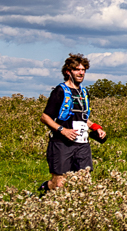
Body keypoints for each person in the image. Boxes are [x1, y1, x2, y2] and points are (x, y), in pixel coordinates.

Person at [38, 53, 107, 192]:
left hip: (82, 144)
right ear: (68, 72)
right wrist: (63, 130)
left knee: (84, 180)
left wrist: (96, 127)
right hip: (62, 143)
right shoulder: (60, 91)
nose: (81, 73)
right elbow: (45, 117)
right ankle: (47, 187)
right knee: (59, 184)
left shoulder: (84, 92)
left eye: (83, 70)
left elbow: (82, 117)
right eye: (77, 69)